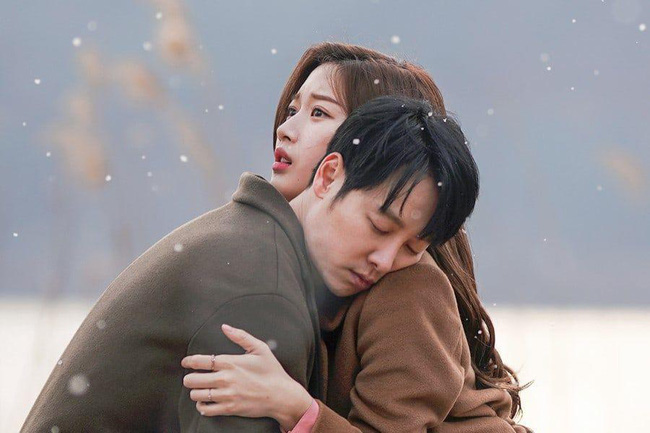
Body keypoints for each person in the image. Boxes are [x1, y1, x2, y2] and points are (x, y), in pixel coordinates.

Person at [20, 92, 478, 432]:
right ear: (328, 176)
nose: (384, 259)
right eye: (378, 226)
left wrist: (302, 412)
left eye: (413, 248)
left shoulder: (251, 243)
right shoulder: (262, 293)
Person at [181, 42, 532, 432]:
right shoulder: (290, 262)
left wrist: (299, 410)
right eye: (293, 110)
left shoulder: (408, 288)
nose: (286, 129)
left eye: (320, 113)